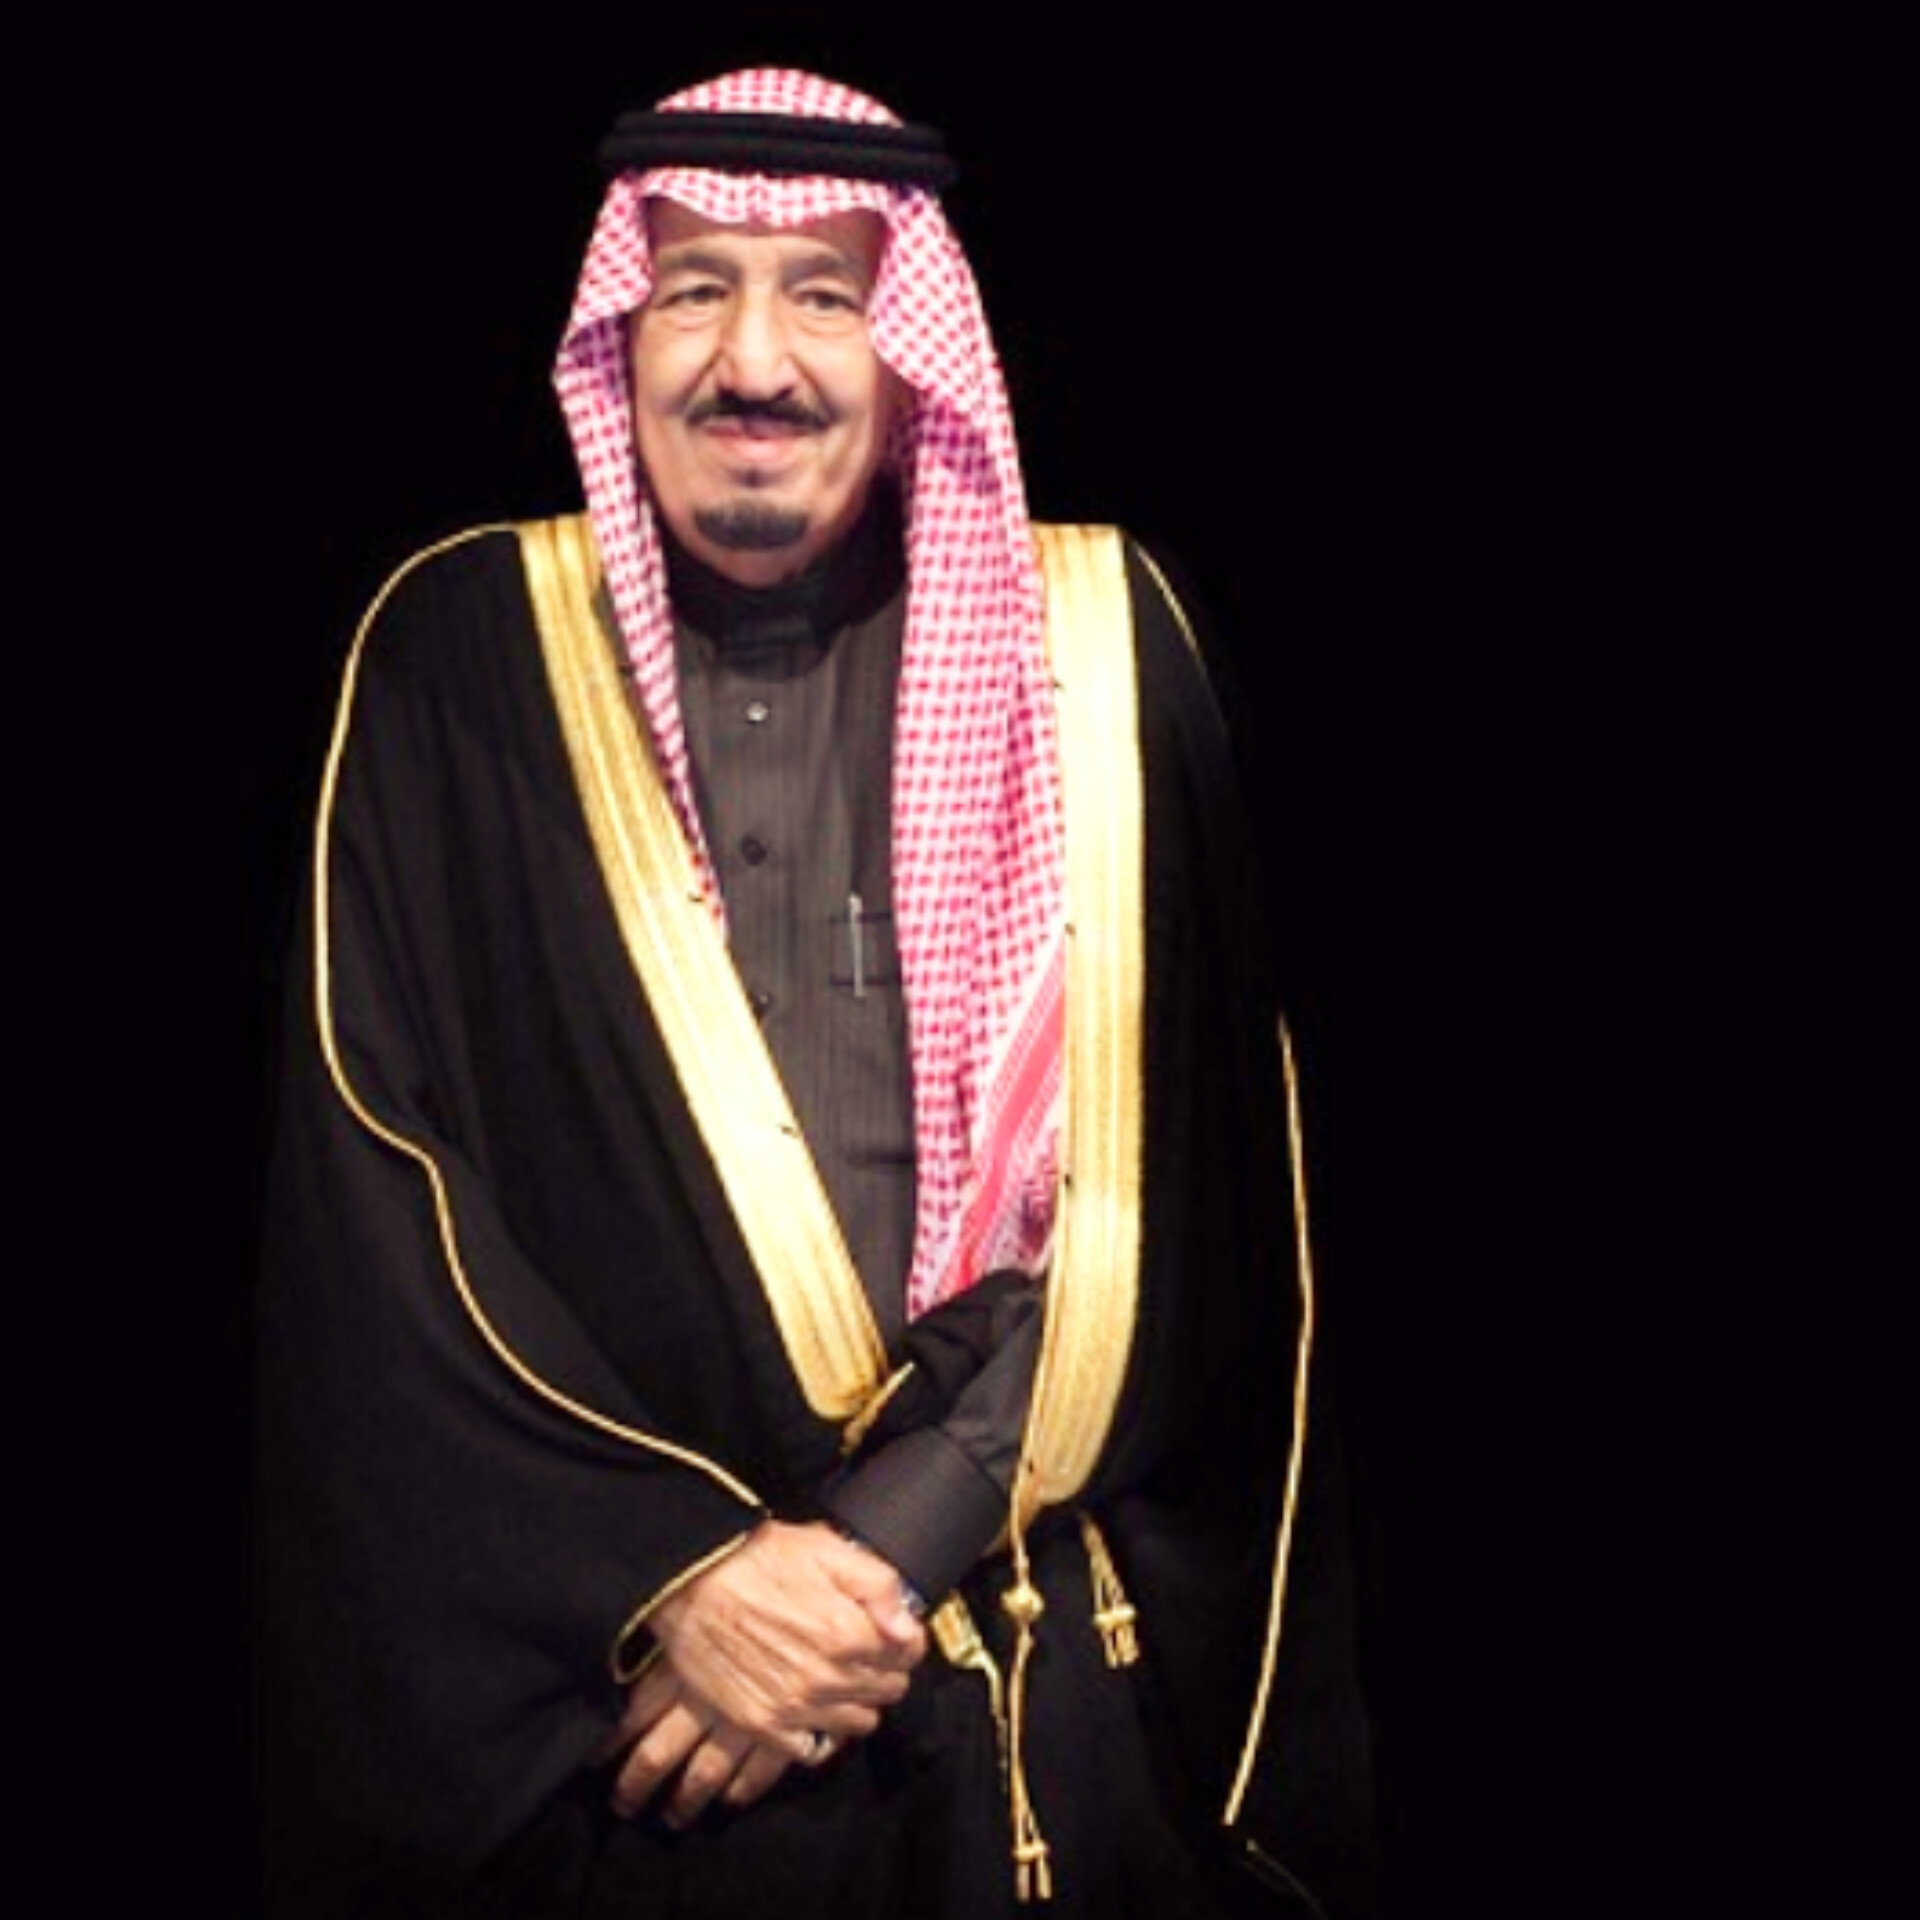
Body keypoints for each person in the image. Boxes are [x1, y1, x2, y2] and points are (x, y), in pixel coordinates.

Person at [251, 66, 1379, 1920]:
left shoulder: (1101, 649)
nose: (754, 361)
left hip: (1039, 1705)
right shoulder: (457, 653)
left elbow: (1200, 1199)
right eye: (695, 288)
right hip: (637, 1736)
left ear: (913, 345)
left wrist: (888, 1541)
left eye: (827, 295)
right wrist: (679, 1580)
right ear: (618, 340)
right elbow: (375, 1199)